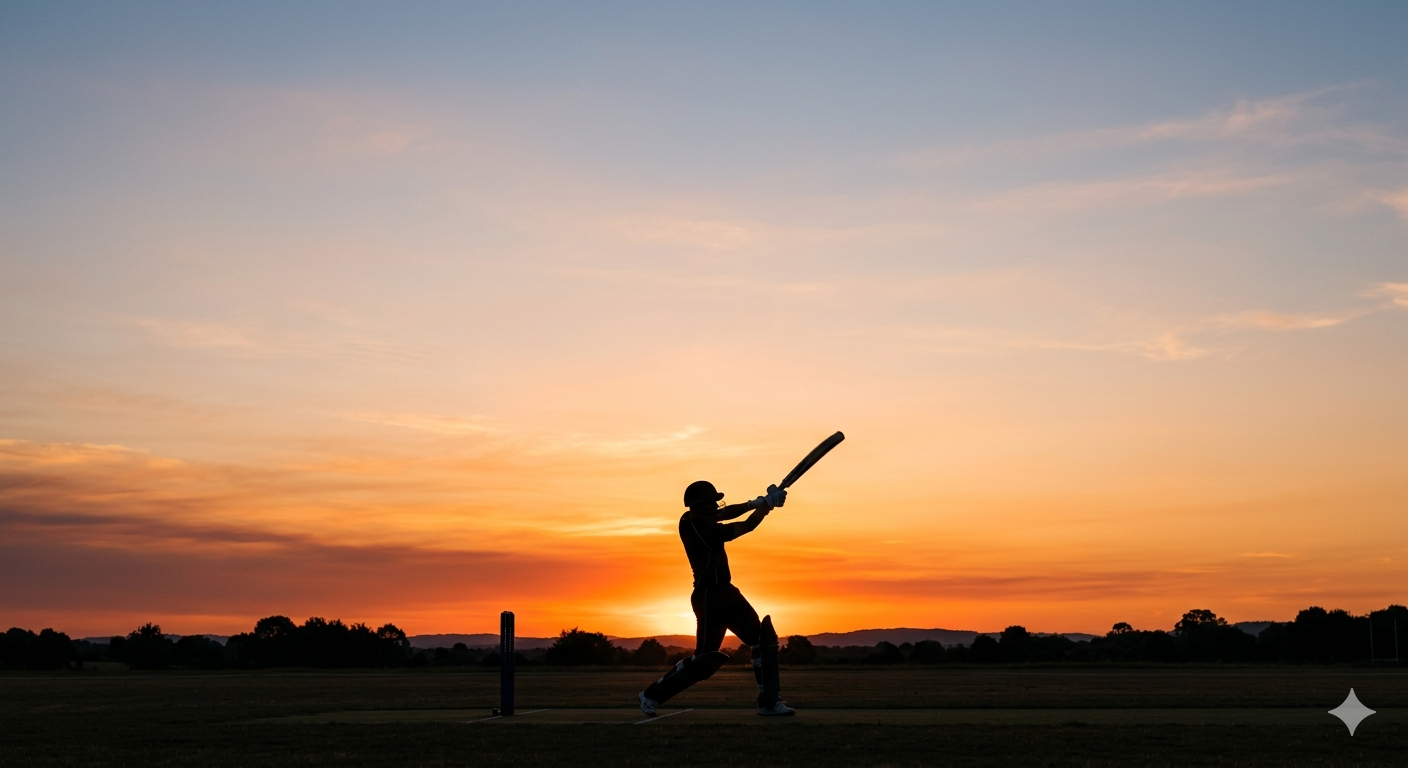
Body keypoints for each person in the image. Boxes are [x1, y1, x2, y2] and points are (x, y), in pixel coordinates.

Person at [638, 479, 794, 717]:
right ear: (702, 505)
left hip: (726, 592)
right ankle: (652, 695)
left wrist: (757, 502)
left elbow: (727, 512)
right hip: (709, 598)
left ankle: (770, 703)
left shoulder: (697, 517)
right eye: (712, 502)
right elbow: (746, 526)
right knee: (704, 660)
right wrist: (766, 507)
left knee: (763, 641)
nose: (716, 506)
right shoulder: (698, 525)